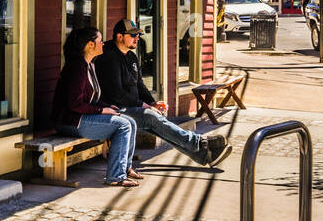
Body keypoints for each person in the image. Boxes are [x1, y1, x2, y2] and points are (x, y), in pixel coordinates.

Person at [94, 18, 233, 168]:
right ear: (120, 37)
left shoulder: (131, 56)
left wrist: (152, 102)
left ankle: (206, 156)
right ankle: (201, 143)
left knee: (156, 121)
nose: (137, 38)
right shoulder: (108, 58)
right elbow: (117, 94)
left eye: (138, 35)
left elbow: (140, 85)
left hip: (131, 108)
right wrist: (145, 106)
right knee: (150, 117)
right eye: (132, 35)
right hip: (113, 110)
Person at [50, 26, 139, 187]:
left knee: (130, 121)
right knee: (123, 125)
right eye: (100, 41)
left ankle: (125, 168)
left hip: (82, 118)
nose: (103, 43)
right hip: (69, 122)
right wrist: (101, 110)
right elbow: (74, 104)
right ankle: (115, 176)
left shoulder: (89, 65)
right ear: (90, 45)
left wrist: (107, 106)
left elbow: (91, 99)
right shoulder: (77, 68)